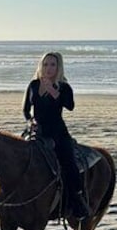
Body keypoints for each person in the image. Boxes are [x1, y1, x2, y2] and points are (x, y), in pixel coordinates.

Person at [22, 52, 89, 219]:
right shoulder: (33, 85)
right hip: (38, 131)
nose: (48, 68)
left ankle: (77, 200)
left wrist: (53, 90)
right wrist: (30, 121)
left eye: (52, 65)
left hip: (58, 132)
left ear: (58, 67)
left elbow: (70, 106)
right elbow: (25, 110)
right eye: (45, 65)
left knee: (68, 164)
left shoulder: (64, 87)